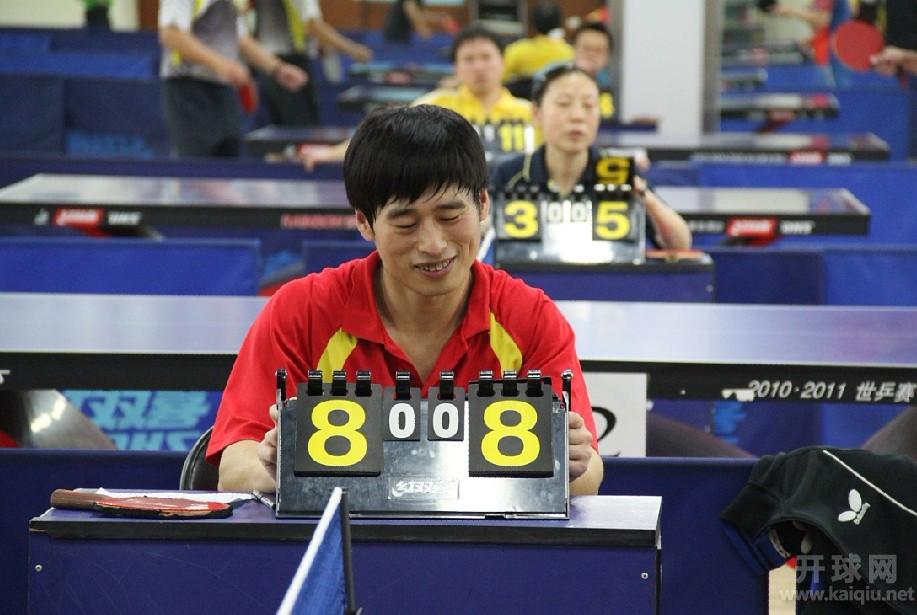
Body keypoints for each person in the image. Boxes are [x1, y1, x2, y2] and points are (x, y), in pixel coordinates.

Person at [208, 104, 603, 496]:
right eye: (405, 223)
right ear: (364, 222)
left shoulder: (530, 317)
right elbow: (235, 467)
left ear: (483, 204)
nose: (433, 244)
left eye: (450, 216)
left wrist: (569, 463)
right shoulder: (301, 311)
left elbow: (587, 474)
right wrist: (277, 468)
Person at [490, 65, 692, 251]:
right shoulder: (510, 174)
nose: (577, 116)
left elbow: (680, 245)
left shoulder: (618, 172)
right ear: (536, 112)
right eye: (563, 104)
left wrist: (645, 198)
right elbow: (480, 238)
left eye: (588, 105)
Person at [300, 24, 534, 169]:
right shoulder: (437, 105)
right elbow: (384, 136)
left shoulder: (530, 112)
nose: (479, 67)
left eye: (486, 57)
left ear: (503, 62)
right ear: (456, 67)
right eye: (469, 59)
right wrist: (330, 153)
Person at [158, 0, 308, 157]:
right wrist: (222, 65)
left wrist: (277, 68)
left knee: (229, 163)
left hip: (223, 91)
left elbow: (241, 38)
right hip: (188, 90)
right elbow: (170, 34)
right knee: (197, 167)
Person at [250, 0, 373, 126]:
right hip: (290, 65)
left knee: (281, 128)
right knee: (302, 128)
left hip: (268, 63)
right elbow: (312, 25)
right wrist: (352, 49)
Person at [502, 1, 573, 85]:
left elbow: (500, 75)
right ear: (560, 23)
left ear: (532, 24)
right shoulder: (570, 53)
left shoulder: (517, 50)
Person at [768, 0, 851, 65]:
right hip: (826, 56)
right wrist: (811, 41)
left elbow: (823, 20)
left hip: (833, 58)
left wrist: (791, 11)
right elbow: (826, 26)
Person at [383, 0, 454, 43]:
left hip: (401, 35)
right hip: (396, 35)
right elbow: (412, 11)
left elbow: (420, 13)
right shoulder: (411, 3)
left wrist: (439, 17)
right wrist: (423, 30)